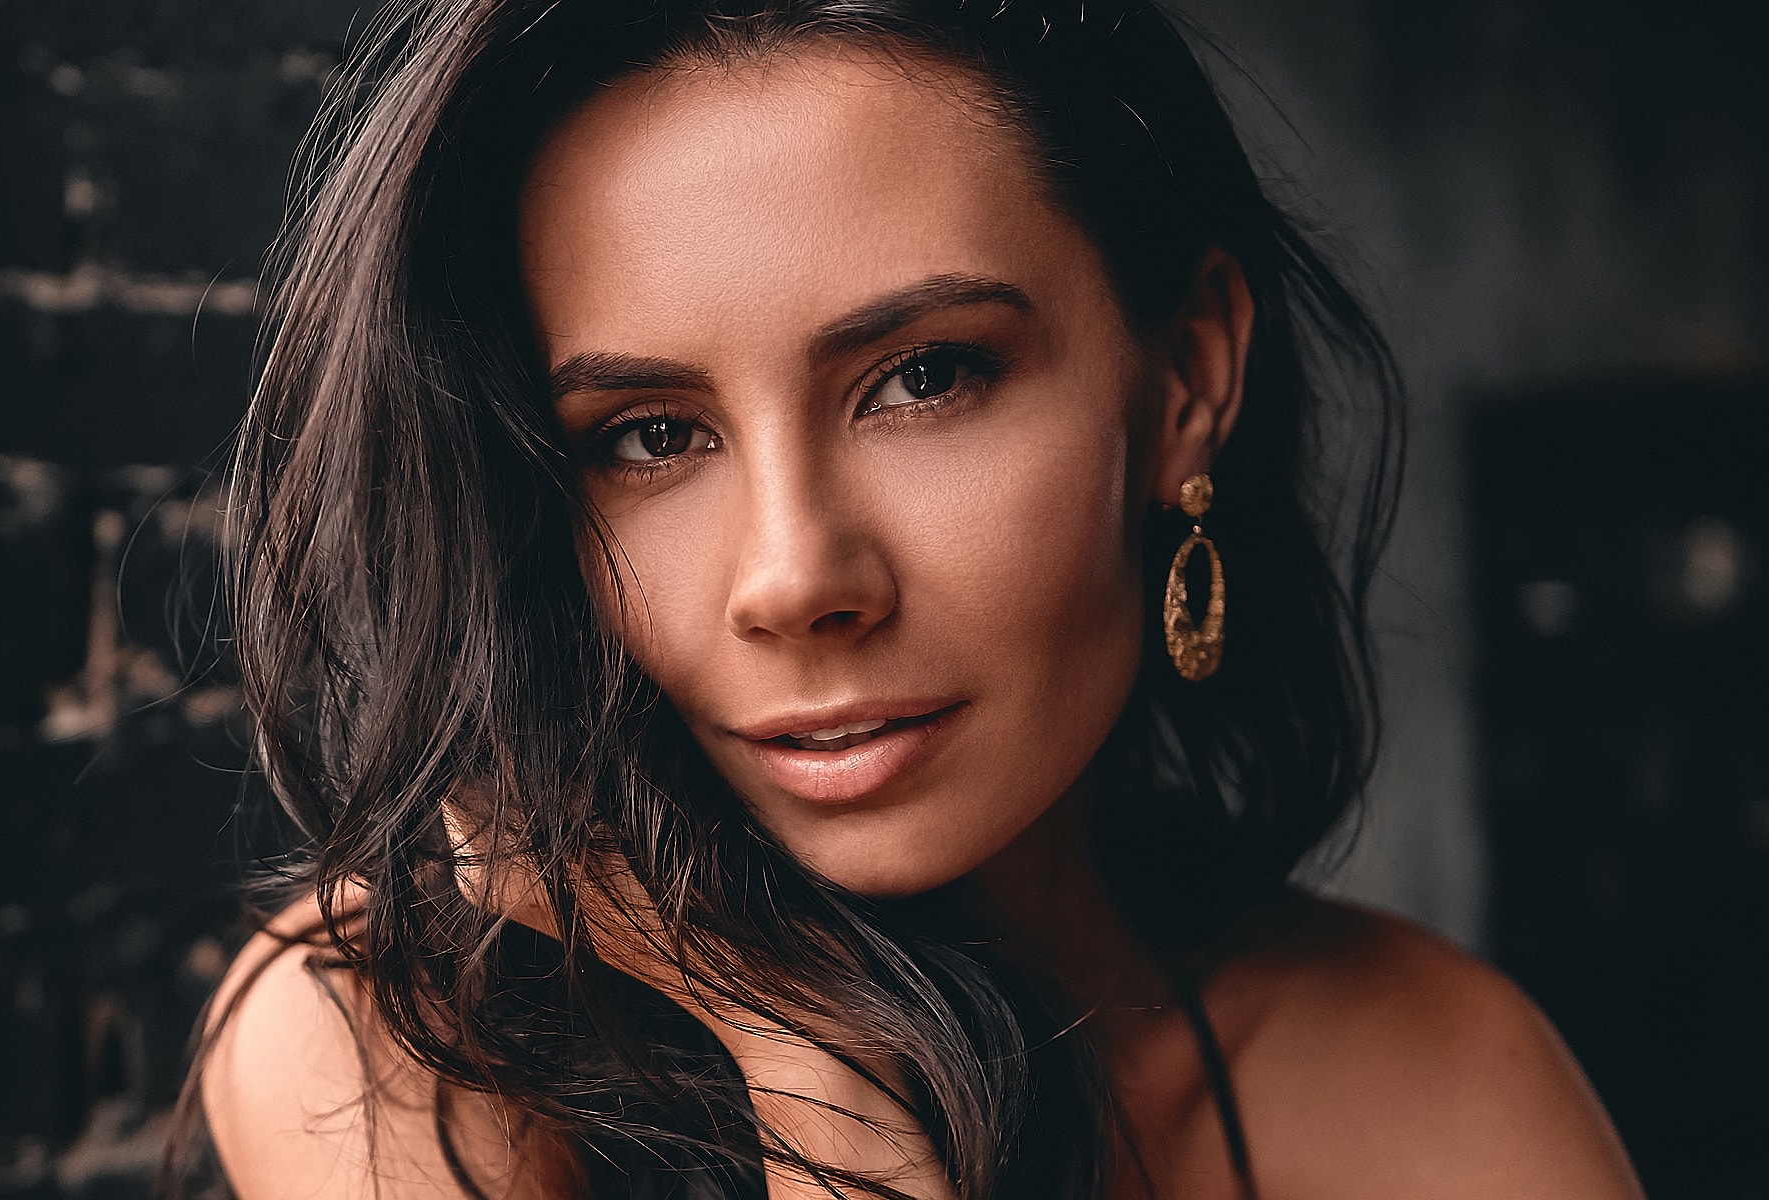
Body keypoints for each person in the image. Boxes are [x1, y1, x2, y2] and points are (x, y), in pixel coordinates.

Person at [176, 2, 1644, 1197]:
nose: (794, 578)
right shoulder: (392, 1053)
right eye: (651, 436)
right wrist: (801, 1060)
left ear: (1189, 378)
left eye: (925, 378)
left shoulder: (1429, 1077)